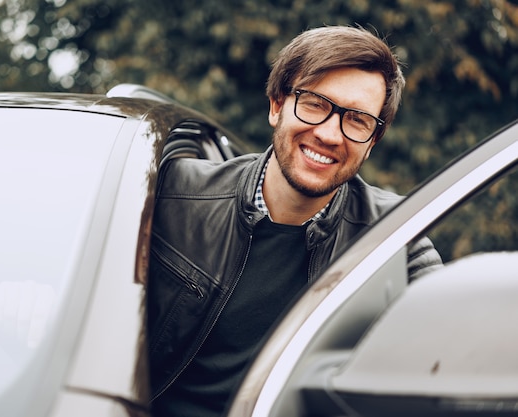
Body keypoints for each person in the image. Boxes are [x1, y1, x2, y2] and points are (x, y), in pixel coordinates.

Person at [146, 25, 443, 417]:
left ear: (372, 142)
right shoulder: (173, 197)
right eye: (316, 103)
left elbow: (446, 360)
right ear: (276, 105)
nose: (329, 134)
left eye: (356, 120)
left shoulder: (396, 239)